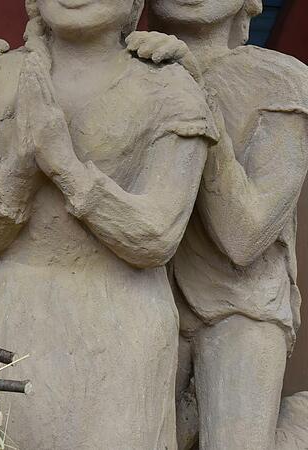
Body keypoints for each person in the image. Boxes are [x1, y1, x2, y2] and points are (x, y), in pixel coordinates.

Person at [0, 0, 217, 447]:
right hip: (10, 318)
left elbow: (156, 235)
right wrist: (22, 162)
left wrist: (65, 167)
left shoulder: (168, 89)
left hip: (121, 324)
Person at [124, 2, 308, 448]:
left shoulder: (280, 80)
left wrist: (194, 95)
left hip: (242, 303)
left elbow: (244, 236)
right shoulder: (117, 72)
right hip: (138, 295)